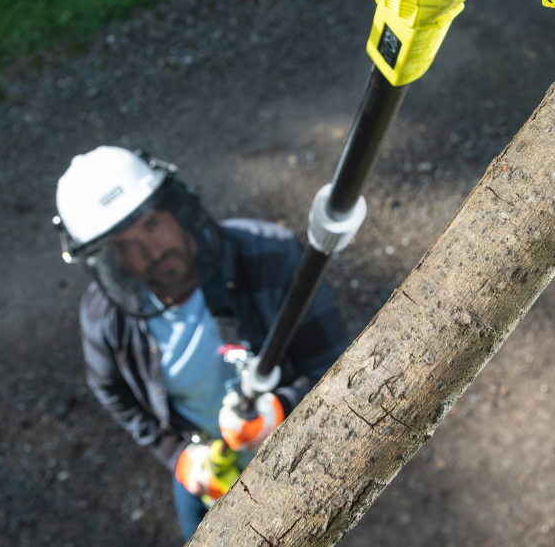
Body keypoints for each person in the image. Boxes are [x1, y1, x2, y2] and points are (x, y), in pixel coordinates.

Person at [54, 146, 348, 539]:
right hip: (206, 467)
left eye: (152, 224)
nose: (152, 252)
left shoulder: (272, 255)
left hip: (298, 446)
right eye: (124, 246)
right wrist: (177, 455)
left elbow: (337, 362)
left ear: (175, 208)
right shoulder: (104, 317)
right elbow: (109, 390)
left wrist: (282, 407)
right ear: (108, 261)